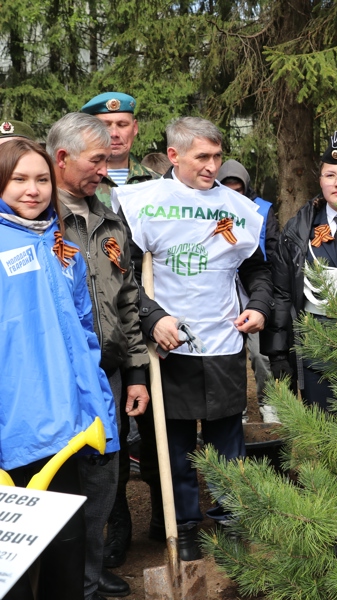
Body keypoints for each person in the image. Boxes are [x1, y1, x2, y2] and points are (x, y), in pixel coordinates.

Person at [117, 116, 273, 561]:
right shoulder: (141, 202)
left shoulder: (238, 207)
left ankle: (231, 523)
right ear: (173, 156)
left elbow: (256, 269)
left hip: (223, 344)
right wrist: (153, 318)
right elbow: (124, 276)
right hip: (169, 348)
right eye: (201, 157)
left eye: (217, 156)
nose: (211, 166)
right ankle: (183, 527)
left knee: (227, 442)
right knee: (177, 447)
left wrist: (259, 306)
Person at [0, 137, 118, 600]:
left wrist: (98, 413)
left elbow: (84, 337)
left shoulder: (60, 245)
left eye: (42, 179)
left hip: (64, 433)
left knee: (66, 555)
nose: (33, 190)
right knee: (10, 569)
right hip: (13, 432)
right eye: (19, 179)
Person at [49, 112, 152, 599]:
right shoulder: (38, 220)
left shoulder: (111, 218)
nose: (105, 170)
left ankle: (89, 578)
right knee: (58, 484)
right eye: (97, 161)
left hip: (107, 375)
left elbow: (127, 299)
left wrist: (135, 371)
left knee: (102, 482)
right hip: (55, 381)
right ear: (62, 158)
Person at [264, 131, 337, 549]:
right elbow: (280, 294)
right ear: (321, 180)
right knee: (321, 442)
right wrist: (278, 356)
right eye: (331, 174)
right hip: (314, 347)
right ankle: (328, 529)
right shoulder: (299, 228)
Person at [80, 91, 161, 571]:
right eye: (106, 125)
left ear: (135, 129)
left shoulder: (158, 187)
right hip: (116, 330)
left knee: (158, 432)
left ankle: (167, 516)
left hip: (165, 327)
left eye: (124, 124)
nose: (116, 132)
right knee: (115, 434)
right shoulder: (84, 189)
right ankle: (119, 528)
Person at [219, 158, 280, 423]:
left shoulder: (263, 210)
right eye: (227, 189)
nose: (233, 196)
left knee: (258, 353)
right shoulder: (207, 209)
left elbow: (275, 252)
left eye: (238, 190)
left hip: (256, 291)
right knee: (228, 355)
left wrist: (268, 296)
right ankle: (237, 407)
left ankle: (268, 402)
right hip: (222, 291)